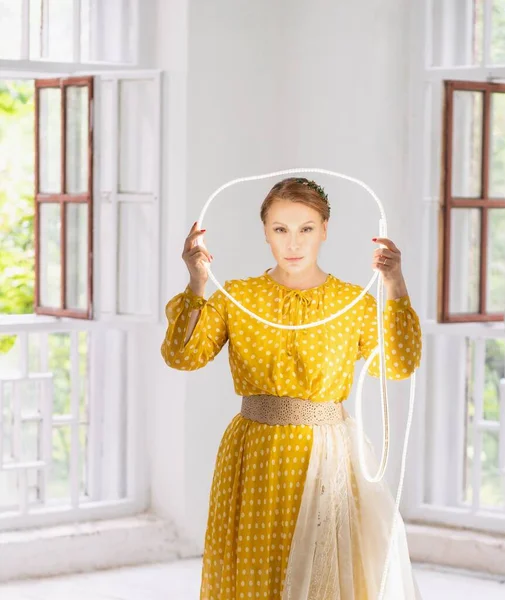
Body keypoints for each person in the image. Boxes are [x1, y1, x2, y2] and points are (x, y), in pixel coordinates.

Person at [161, 177, 423, 599]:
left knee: (322, 574)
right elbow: (182, 355)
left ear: (324, 229)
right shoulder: (238, 297)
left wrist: (395, 283)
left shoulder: (352, 301)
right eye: (281, 229)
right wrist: (197, 281)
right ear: (265, 232)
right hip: (254, 452)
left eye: (306, 228)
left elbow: (399, 363)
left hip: (328, 455)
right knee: (257, 566)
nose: (293, 242)